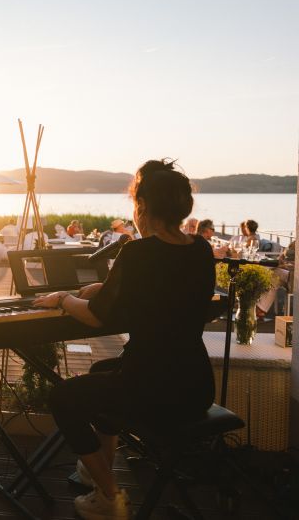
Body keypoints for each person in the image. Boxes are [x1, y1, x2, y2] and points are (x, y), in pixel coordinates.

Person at [32, 159, 215, 520]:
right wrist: (105, 288)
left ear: (143, 206)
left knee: (63, 398)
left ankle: (109, 495)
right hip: (195, 385)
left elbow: (100, 316)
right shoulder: (200, 249)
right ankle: (97, 472)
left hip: (151, 389)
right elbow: (163, 292)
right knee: (103, 368)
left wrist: (65, 301)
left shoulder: (138, 252)